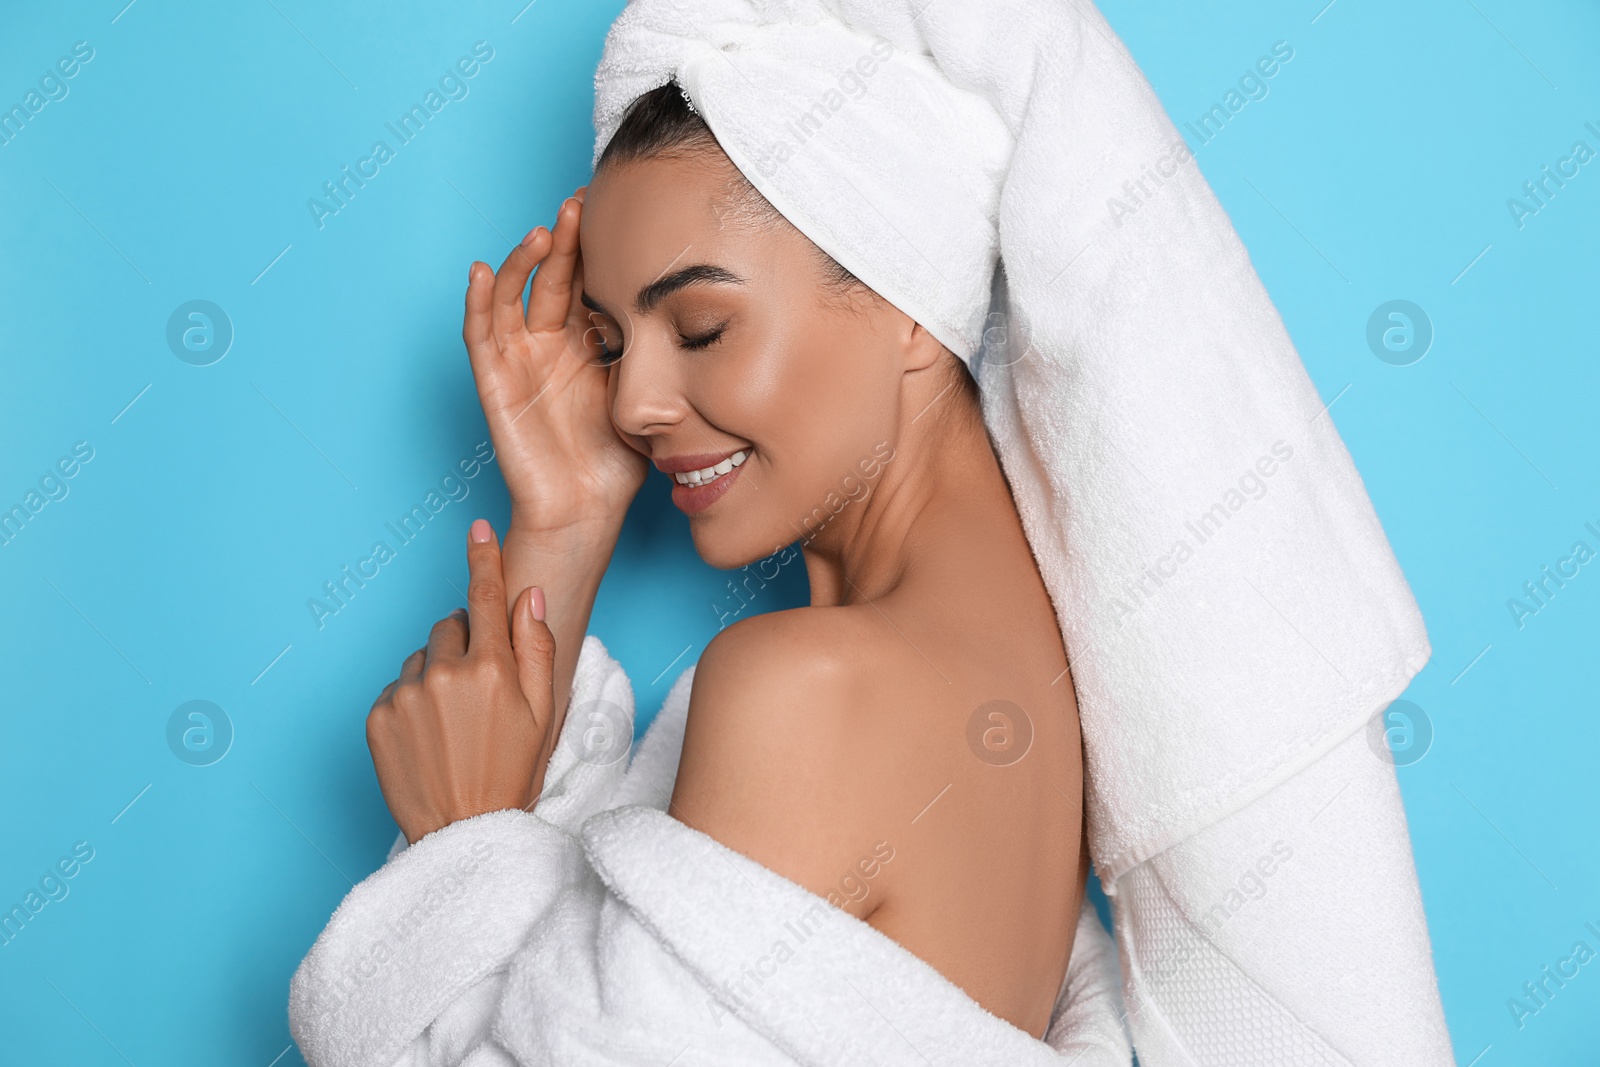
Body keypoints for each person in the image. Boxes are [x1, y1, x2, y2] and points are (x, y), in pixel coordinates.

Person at [364, 81, 1089, 1042]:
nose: (631, 406)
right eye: (611, 345)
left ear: (909, 302)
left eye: (700, 326)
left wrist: (459, 847)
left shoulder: (814, 690)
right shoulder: (1035, 679)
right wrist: (569, 519)